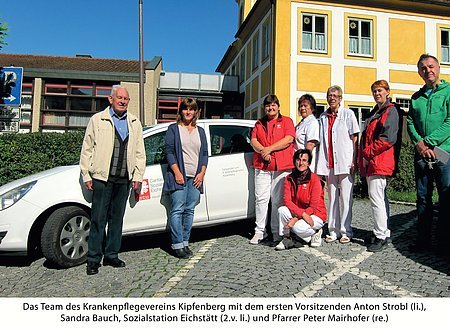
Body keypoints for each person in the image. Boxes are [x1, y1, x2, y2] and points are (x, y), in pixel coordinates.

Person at [80, 85, 146, 275]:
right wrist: (86, 174)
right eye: (120, 98)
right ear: (111, 99)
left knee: (117, 220)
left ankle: (111, 255)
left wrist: (138, 177)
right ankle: (93, 259)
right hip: (102, 177)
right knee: (98, 219)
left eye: (126, 99)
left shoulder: (134, 122)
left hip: (124, 179)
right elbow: (87, 149)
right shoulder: (98, 119)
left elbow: (140, 153)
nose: (123, 101)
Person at [407, 54, 450, 255]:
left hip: (444, 154)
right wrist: (420, 145)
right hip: (422, 155)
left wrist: (429, 142)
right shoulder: (416, 98)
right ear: (419, 72)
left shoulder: (449, 92)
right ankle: (423, 240)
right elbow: (410, 122)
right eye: (423, 68)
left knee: (445, 198)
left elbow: (449, 122)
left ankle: (443, 242)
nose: (428, 71)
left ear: (438, 68)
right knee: (423, 198)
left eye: (431, 66)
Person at [164, 97, 208, 259]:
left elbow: (204, 154)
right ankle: (177, 244)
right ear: (181, 111)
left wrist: (202, 173)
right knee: (177, 209)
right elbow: (169, 152)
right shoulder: (174, 129)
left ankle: (185, 242)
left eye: (192, 109)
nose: (188, 112)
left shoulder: (200, 131)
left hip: (195, 178)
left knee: (189, 210)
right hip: (179, 176)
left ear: (196, 112)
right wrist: (177, 172)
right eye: (185, 109)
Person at [359, 80, 400, 252]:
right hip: (375, 162)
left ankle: (380, 236)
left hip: (379, 161)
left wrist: (367, 153)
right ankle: (383, 231)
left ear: (387, 92)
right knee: (380, 198)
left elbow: (387, 138)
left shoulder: (390, 111)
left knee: (377, 199)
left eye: (380, 90)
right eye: (374, 91)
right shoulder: (377, 112)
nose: (377, 93)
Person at [316, 85, 360, 244]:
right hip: (329, 163)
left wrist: (354, 160)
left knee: (346, 198)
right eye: (329, 95)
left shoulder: (348, 114)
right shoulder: (322, 117)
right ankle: (333, 230)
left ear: (340, 98)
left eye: (335, 95)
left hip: (345, 162)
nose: (332, 98)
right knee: (333, 198)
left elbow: (355, 139)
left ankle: (346, 231)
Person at [249, 94, 295, 244]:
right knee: (261, 199)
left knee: (277, 201)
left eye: (274, 104)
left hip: (281, 167)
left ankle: (276, 231)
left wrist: (268, 149)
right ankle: (260, 231)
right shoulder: (259, 123)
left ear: (278, 107)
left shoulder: (287, 121)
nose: (271, 107)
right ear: (265, 108)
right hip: (262, 165)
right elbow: (253, 140)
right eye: (268, 105)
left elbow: (288, 139)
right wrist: (264, 151)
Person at [275, 149, 327, 250]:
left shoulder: (315, 179)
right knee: (282, 210)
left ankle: (316, 231)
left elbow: (313, 206)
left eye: (304, 160)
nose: (301, 163)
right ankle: (287, 238)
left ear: (309, 163)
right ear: (294, 161)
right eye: (298, 160)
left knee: (297, 227)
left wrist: (295, 219)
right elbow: (287, 201)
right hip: (300, 212)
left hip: (315, 214)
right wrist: (301, 214)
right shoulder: (289, 178)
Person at [294, 94, 320, 172]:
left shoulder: (312, 122)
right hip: (298, 163)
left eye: (305, 106)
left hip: (305, 166)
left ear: (312, 108)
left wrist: (303, 163)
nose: (302, 108)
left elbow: (310, 145)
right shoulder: (301, 123)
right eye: (301, 106)